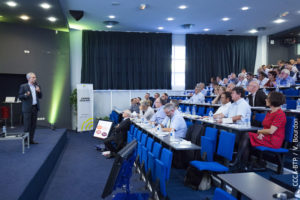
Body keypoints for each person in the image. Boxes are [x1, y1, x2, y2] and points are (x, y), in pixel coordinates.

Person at [236, 92, 286, 168]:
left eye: (268, 98)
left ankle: (239, 162)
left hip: (273, 140)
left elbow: (271, 131)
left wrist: (258, 132)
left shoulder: (280, 114)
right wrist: (261, 134)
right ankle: (243, 164)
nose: (265, 100)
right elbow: (265, 128)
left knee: (246, 135)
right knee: (245, 136)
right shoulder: (270, 112)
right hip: (266, 137)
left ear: (273, 100)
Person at [18, 72, 42, 144]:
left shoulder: (37, 86)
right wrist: (26, 94)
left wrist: (39, 91)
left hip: (35, 108)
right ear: (28, 78)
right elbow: (20, 97)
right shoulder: (23, 86)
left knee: (33, 125)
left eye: (35, 77)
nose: (35, 78)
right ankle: (25, 141)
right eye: (33, 77)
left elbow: (40, 96)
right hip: (27, 109)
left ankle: (31, 140)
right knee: (27, 125)